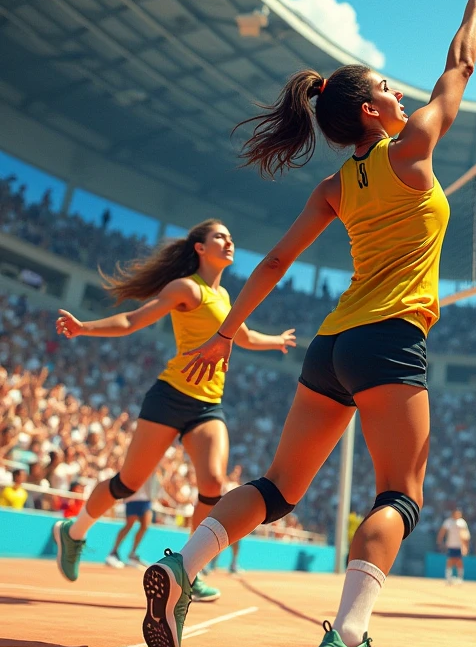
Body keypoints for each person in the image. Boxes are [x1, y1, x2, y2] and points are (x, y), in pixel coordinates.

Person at [140, 0, 476, 647]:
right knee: (400, 494)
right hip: (390, 339)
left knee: (276, 488)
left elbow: (272, 262)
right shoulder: (415, 148)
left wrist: (228, 332)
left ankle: (181, 564)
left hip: (330, 345)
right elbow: (459, 67)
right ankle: (350, 637)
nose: (405, 96)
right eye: (391, 93)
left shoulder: (338, 183)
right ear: (373, 111)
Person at [52, 220, 295, 603]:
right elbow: (133, 320)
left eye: (231, 236)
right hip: (169, 397)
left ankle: (189, 568)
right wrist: (85, 328)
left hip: (207, 406)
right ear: (199, 247)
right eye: (220, 236)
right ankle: (74, 531)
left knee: (214, 483)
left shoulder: (226, 296)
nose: (229, 241)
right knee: (128, 484)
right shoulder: (186, 288)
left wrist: (276, 341)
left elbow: (242, 335)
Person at [105, 477, 155, 569]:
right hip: (133, 497)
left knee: (145, 526)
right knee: (129, 525)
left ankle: (132, 554)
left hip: (146, 499)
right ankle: (113, 552)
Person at [438, 508, 469, 585]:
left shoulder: (462, 523)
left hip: (459, 545)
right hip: (451, 544)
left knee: (459, 561)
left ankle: (460, 578)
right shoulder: (448, 522)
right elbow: (442, 532)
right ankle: (448, 578)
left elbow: (466, 535)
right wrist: (440, 540)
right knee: (450, 561)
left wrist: (465, 546)